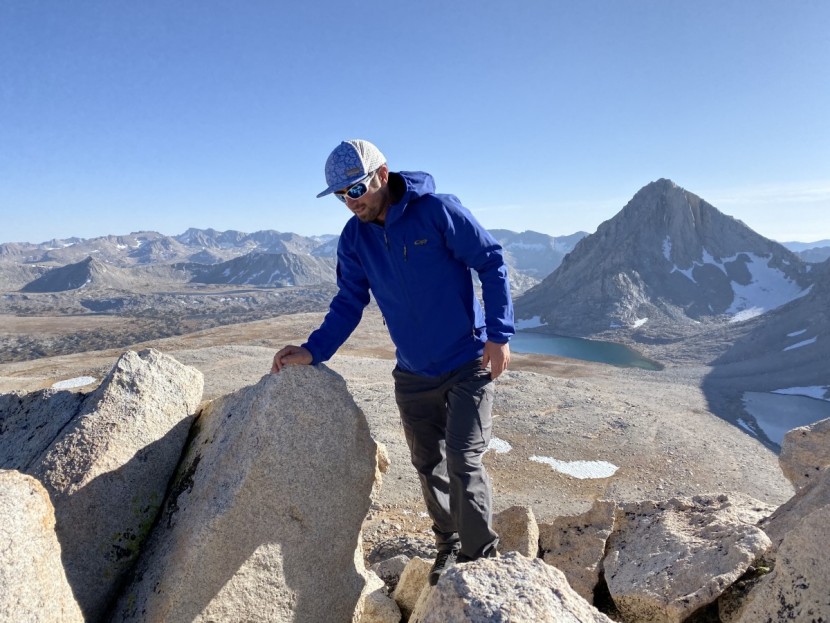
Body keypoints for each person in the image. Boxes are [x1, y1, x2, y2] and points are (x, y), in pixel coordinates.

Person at [271, 139, 514, 585]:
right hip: (413, 374)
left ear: (382, 175)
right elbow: (349, 301)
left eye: (357, 188)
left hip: (467, 363)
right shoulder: (354, 239)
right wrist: (314, 350)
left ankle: (482, 564)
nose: (351, 201)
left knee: (463, 460)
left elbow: (491, 261)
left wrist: (498, 335)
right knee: (428, 465)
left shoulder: (437, 211)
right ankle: (449, 547)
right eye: (341, 195)